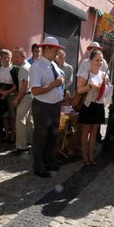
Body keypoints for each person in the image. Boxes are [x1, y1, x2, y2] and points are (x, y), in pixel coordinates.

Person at [29, 37, 65, 178]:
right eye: (55, 50)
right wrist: (54, 85)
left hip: (54, 105)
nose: (57, 52)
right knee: (41, 137)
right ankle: (38, 166)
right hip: (42, 106)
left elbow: (58, 83)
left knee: (52, 135)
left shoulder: (53, 65)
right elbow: (35, 90)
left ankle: (48, 161)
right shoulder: (36, 66)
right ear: (47, 49)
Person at [76, 49, 110, 165]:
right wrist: (90, 86)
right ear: (91, 61)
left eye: (101, 60)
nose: (100, 62)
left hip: (99, 105)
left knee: (94, 133)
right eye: (97, 60)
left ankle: (91, 155)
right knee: (85, 132)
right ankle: (84, 156)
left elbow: (106, 93)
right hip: (87, 105)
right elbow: (79, 90)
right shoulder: (86, 73)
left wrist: (105, 87)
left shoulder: (104, 75)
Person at [12, 47, 34, 155]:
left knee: (20, 121)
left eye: (17, 57)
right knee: (29, 121)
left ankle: (21, 147)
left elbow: (25, 85)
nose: (14, 59)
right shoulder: (28, 66)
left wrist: (17, 99)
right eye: (14, 57)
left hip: (25, 96)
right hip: (30, 96)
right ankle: (30, 141)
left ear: (23, 57)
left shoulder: (24, 68)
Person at [0, 49, 18, 143]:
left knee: (12, 116)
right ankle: (7, 135)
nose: (7, 59)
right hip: (0, 94)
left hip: (11, 95)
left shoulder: (14, 69)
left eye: (9, 57)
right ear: (1, 58)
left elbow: (17, 84)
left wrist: (7, 92)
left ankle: (13, 136)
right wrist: (1, 91)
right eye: (5, 57)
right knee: (4, 116)